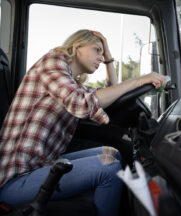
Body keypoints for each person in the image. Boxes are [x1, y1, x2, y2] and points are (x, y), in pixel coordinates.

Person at [0, 29, 167, 216]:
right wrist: (139, 80)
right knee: (108, 169)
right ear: (77, 46)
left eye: (103, 54)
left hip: (41, 163)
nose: (101, 58)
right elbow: (81, 103)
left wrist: (109, 57)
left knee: (111, 153)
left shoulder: (71, 82)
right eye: (97, 50)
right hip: (17, 177)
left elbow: (112, 93)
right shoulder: (52, 61)